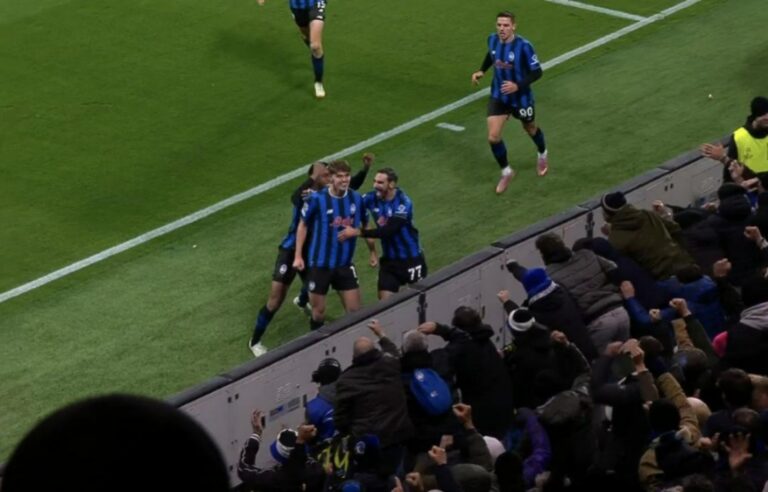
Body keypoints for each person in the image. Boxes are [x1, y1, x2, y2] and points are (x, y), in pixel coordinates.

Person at [249, 154, 373, 356]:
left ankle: (302, 301)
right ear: (317, 177)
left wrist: (365, 169)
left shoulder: (337, 194)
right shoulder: (307, 195)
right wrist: (313, 178)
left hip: (314, 253)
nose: (328, 178)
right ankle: (255, 341)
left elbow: (352, 186)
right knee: (276, 299)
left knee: (317, 289)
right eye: (324, 175)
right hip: (291, 251)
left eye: (328, 174)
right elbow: (296, 201)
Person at [471, 11, 547, 194]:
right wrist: (482, 70)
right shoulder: (492, 39)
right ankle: (506, 172)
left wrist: (517, 85)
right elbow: (492, 55)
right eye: (499, 25)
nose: (502, 29)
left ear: (514, 26)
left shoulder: (524, 46)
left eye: (506, 25)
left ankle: (542, 153)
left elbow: (537, 72)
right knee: (493, 137)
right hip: (499, 95)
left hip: (521, 97)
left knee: (530, 128)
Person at [293, 160, 366, 330]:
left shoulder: (356, 198)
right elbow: (302, 225)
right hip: (320, 264)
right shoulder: (317, 199)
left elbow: (365, 224)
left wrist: (372, 251)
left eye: (347, 175)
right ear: (331, 178)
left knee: (355, 311)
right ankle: (315, 346)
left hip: (345, 264)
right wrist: (298, 256)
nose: (344, 180)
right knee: (318, 312)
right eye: (339, 176)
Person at [338, 167, 427, 299]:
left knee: (421, 300)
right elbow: (351, 202)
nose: (375, 185)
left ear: (391, 184)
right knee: (385, 305)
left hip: (411, 259)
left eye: (380, 183)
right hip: (389, 262)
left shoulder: (403, 203)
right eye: (374, 181)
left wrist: (358, 232)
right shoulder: (370, 198)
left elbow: (389, 231)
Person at [257, 0, 329, 99]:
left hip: (316, 3)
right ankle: (315, 54)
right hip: (297, 6)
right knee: (307, 36)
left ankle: (318, 82)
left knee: (315, 46)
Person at [701, 96, 768, 181]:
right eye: (763, 114)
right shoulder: (739, 137)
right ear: (755, 116)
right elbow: (731, 171)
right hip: (750, 189)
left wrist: (723, 158)